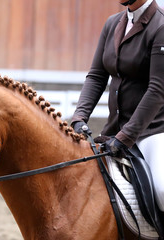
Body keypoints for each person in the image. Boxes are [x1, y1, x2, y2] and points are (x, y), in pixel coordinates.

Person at [71, 0, 164, 213]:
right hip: (114, 130)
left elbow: (158, 89)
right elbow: (96, 76)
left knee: (162, 190)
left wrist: (126, 136)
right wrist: (79, 117)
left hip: (154, 131)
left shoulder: (161, 25)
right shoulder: (113, 24)